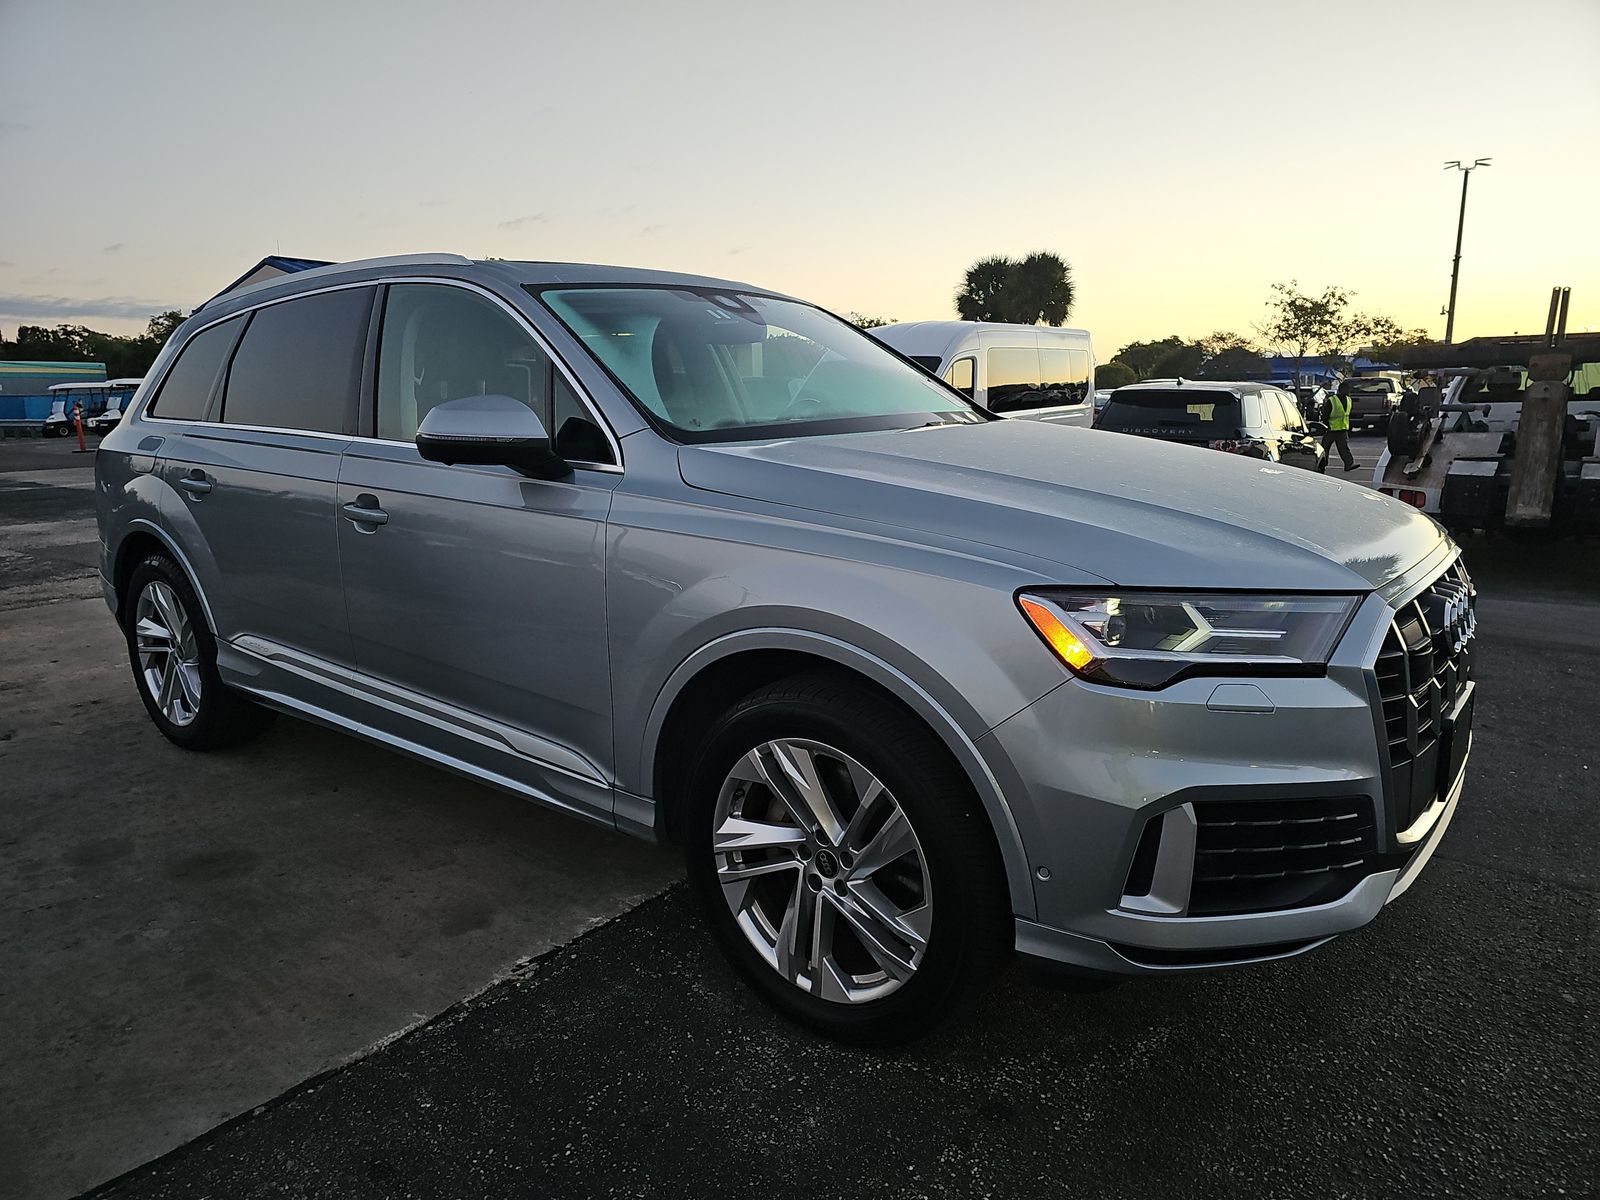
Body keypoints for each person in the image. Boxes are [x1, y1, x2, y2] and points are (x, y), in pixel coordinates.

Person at [1323, 386, 1358, 471]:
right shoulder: (1332, 400)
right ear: (1340, 390)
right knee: (1325, 448)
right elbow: (1325, 414)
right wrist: (1326, 425)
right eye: (1346, 389)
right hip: (1331, 429)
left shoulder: (1348, 399)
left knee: (1343, 448)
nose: (1348, 391)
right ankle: (1322, 464)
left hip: (1342, 429)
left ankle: (1349, 464)